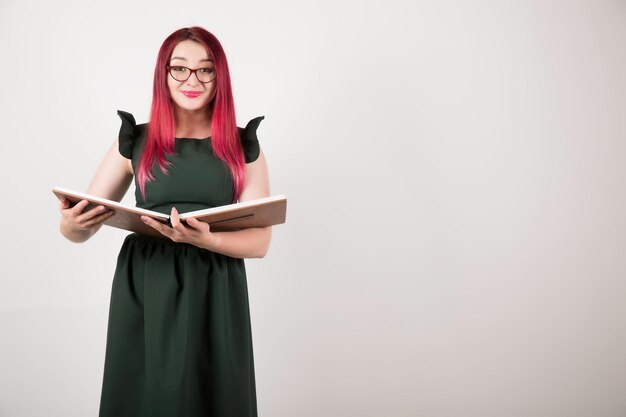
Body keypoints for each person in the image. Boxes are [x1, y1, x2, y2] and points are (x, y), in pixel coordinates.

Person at [58, 26, 270, 417]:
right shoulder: (134, 140)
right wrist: (72, 225)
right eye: (180, 69)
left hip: (215, 287)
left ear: (219, 77)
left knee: (215, 396)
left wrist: (208, 241)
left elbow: (260, 242)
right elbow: (80, 225)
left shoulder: (243, 146)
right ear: (163, 74)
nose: (193, 80)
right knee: (145, 394)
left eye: (206, 70)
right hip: (146, 287)